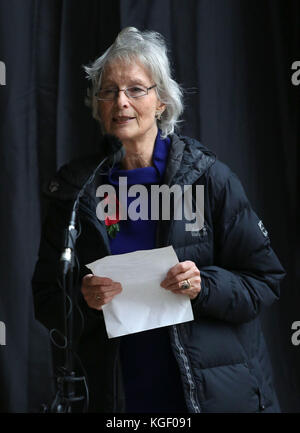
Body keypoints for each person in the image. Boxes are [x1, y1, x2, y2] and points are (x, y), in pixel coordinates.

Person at [32, 27, 286, 413]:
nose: (121, 102)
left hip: (208, 394)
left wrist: (204, 285)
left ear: (162, 101)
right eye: (109, 91)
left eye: (136, 89)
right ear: (98, 105)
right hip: (116, 395)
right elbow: (47, 297)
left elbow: (264, 280)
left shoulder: (209, 178)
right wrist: (84, 300)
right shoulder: (76, 189)